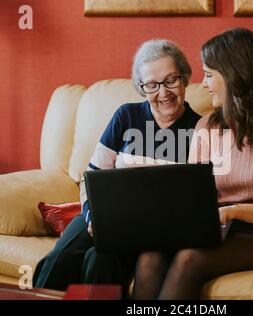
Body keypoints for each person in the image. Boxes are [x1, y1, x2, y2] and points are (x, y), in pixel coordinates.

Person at [132, 28, 253, 300]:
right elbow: (189, 193)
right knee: (149, 256)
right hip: (214, 226)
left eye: (209, 75)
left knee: (189, 260)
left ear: (235, 75)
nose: (203, 84)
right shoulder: (207, 126)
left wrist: (234, 211)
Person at [33, 39, 201, 298]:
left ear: (185, 79)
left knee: (102, 259)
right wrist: (92, 218)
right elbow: (92, 177)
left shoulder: (201, 130)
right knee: (58, 260)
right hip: (104, 217)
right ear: (142, 88)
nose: (164, 92)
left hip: (155, 231)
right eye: (152, 85)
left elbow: (202, 199)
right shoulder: (126, 116)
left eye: (171, 80)